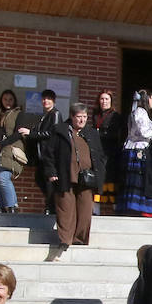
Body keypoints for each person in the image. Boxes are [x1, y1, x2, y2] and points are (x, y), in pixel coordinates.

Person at [40, 102, 106, 255]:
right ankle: (65, 240)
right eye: (79, 117)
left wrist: (99, 173)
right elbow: (48, 154)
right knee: (65, 208)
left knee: (85, 209)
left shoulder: (91, 133)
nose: (82, 120)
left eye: (84, 117)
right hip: (65, 176)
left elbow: (100, 155)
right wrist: (51, 172)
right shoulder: (60, 130)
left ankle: (80, 239)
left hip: (87, 178)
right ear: (72, 116)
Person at [20, 89, 62, 214]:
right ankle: (51, 205)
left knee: (49, 181)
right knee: (39, 178)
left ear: (53, 101)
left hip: (50, 154)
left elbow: (51, 133)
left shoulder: (55, 114)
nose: (45, 101)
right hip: (42, 155)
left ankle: (51, 207)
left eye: (48, 99)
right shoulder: (45, 115)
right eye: (43, 99)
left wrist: (31, 133)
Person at [117, 90, 152, 215]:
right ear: (147, 99)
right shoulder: (140, 112)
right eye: (151, 98)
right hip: (137, 150)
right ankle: (134, 208)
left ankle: (136, 207)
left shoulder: (138, 112)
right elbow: (143, 132)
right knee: (136, 180)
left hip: (136, 149)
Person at [0, 89, 24, 214]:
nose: (7, 102)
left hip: (8, 150)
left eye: (10, 99)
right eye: (5, 99)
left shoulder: (18, 114)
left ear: (14, 101)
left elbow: (18, 134)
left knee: (3, 177)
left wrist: (1, 144)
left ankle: (12, 207)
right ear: (1, 100)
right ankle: (2, 209)